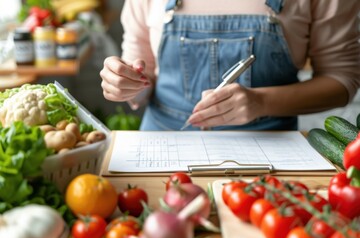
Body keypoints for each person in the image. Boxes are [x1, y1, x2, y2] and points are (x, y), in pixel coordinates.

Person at [100, 0, 360, 131]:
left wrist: (262, 101)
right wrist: (126, 84)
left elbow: (342, 80)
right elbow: (143, 82)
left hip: (272, 154)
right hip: (164, 141)